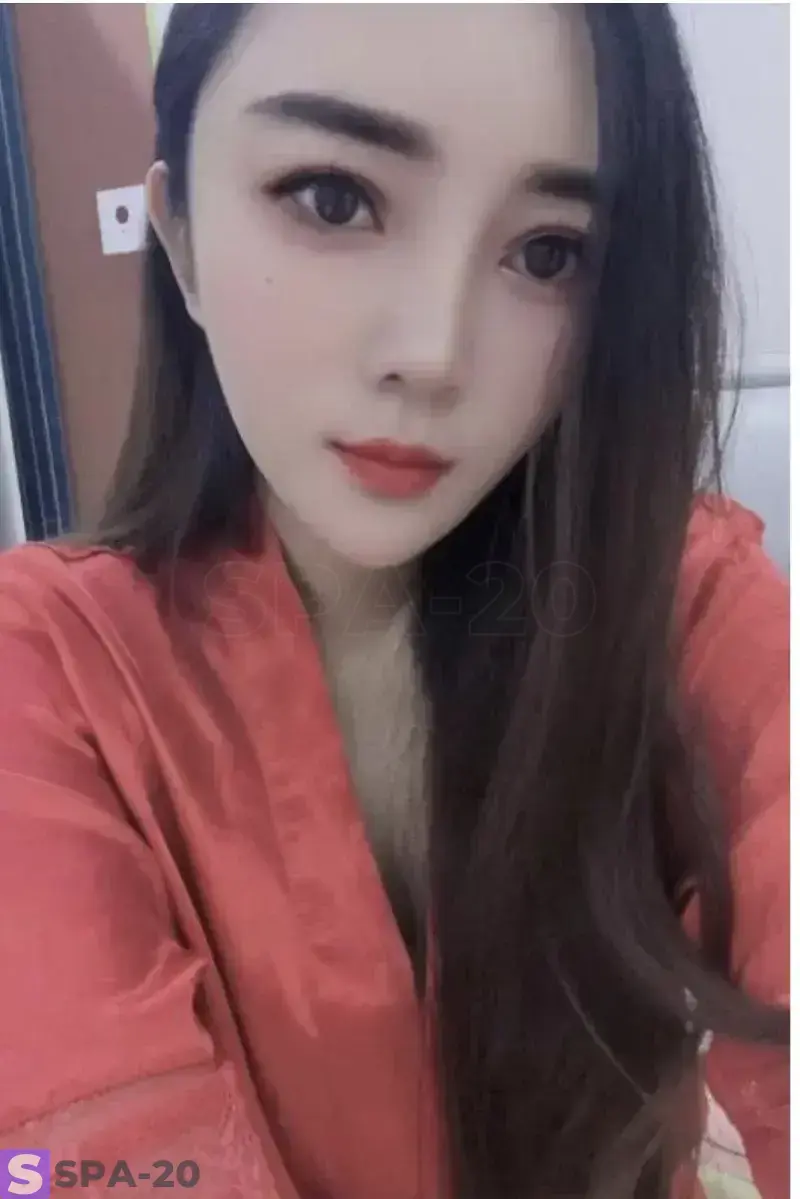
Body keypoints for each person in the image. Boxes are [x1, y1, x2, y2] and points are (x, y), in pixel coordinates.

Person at [0, 5, 788, 1198]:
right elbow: (75, 1158)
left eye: (548, 253)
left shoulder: (677, 596)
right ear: (181, 235)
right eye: (332, 198)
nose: (433, 352)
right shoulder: (42, 679)